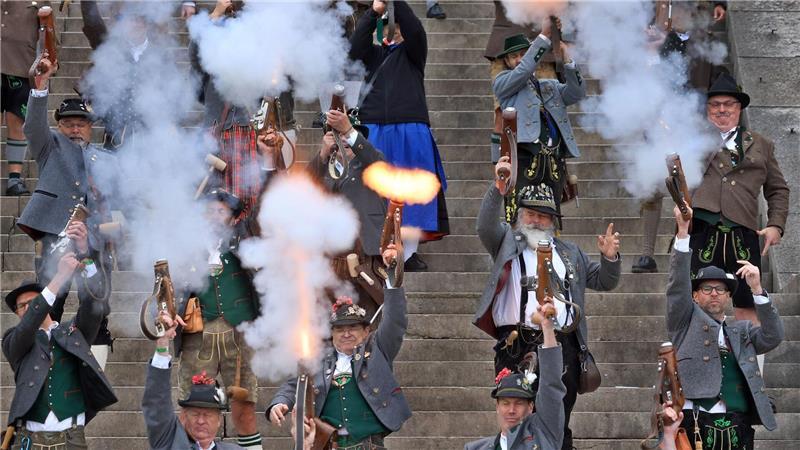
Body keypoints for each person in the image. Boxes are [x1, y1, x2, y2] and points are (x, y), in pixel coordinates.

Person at [473, 157, 621, 449]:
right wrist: (498, 187)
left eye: (543, 215)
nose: (536, 220)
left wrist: (610, 258)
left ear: (553, 220)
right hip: (517, 342)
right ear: (519, 214)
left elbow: (604, 281)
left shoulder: (570, 252)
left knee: (558, 419)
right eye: (530, 213)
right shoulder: (507, 242)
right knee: (516, 415)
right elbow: (484, 227)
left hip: (562, 345)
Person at [17, 55, 116, 368]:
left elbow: (119, 203)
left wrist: (110, 232)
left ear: (90, 128)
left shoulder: (106, 159)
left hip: (95, 239)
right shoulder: (49, 147)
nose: (75, 129)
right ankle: (42, 359)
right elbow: (32, 126)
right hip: (57, 235)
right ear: (59, 126)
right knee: (52, 297)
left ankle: (89, 364)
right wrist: (40, 87)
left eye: (81, 124)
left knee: (97, 304)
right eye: (69, 123)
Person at [666, 203, 784, 449]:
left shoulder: (741, 331)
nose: (714, 294)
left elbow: (773, 336)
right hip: (695, 420)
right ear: (695, 295)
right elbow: (677, 286)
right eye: (706, 289)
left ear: (728, 297)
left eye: (720, 289)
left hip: (737, 422)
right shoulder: (683, 322)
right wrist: (683, 232)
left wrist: (757, 290)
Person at [349, 0, 449, 271]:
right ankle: (374, 247)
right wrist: (374, 12)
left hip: (410, 128)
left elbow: (416, 31)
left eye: (393, 27)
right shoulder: (371, 55)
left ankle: (408, 251)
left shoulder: (413, 52)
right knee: (373, 192)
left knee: (412, 191)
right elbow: (355, 47)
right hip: (375, 129)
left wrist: (396, 3)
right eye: (383, 28)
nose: (389, 32)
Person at [175, 185, 272, 450]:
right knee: (192, 408)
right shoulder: (187, 246)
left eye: (221, 211)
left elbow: (265, 206)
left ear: (234, 217)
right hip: (198, 335)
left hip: (241, 333)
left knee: (244, 409)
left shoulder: (246, 238)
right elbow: (167, 286)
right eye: (209, 211)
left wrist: (268, 161)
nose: (215, 216)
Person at [690, 73, 789, 324]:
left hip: (744, 234)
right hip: (702, 230)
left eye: (729, 104)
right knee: (700, 303)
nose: (722, 110)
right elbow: (673, 177)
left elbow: (778, 189)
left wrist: (776, 225)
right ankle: (704, 362)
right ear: (707, 109)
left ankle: (748, 362)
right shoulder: (692, 139)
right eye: (715, 104)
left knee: (747, 304)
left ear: (739, 108)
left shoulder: (762, 144)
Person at [189, 0, 297, 223]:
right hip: (219, 133)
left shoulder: (264, 32)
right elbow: (195, 57)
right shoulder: (214, 32)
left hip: (253, 133)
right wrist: (215, 15)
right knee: (214, 206)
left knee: (255, 203)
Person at [144, 312, 316, 450]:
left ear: (219, 420)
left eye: (208, 415)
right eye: (195, 414)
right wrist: (162, 345)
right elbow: (156, 402)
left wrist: (304, 447)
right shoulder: (168, 443)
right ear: (183, 417)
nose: (201, 421)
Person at [267, 285, 411, 450]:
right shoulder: (318, 358)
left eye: (353, 328)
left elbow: (395, 321)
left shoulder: (378, 349)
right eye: (339, 329)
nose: (346, 334)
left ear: (366, 331)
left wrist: (393, 283)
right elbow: (295, 384)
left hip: (369, 445)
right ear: (332, 333)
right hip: (327, 444)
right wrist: (279, 403)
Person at [2, 254, 116, 450]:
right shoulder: (13, 339)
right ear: (17, 313)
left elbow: (94, 307)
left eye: (33, 301)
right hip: (29, 439)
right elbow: (31, 320)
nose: (28, 307)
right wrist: (60, 277)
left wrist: (87, 258)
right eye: (22, 306)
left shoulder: (72, 333)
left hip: (71, 438)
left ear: (47, 301)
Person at [492, 26, 585, 220]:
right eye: (514, 56)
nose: (519, 60)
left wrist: (567, 60)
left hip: (554, 162)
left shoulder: (549, 85)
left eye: (523, 54)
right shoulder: (503, 83)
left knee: (551, 219)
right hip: (525, 160)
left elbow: (577, 93)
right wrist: (544, 36)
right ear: (507, 62)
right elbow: (524, 69)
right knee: (520, 217)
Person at [308, 108, 387, 315]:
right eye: (337, 135)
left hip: (365, 256)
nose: (342, 139)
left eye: (346, 135)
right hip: (328, 259)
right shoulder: (322, 166)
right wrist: (323, 154)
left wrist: (349, 130)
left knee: (369, 317)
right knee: (329, 321)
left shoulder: (372, 163)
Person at [464, 298, 566, 450]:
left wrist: (547, 327)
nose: (511, 410)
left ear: (531, 407)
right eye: (505, 403)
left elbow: (551, 385)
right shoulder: (475, 448)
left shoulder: (544, 435)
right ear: (497, 407)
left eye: (519, 403)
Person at [0, 1, 54, 195]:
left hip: (21, 65)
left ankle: (14, 179)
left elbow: (49, 30)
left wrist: (52, 60)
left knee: (17, 122)